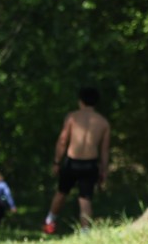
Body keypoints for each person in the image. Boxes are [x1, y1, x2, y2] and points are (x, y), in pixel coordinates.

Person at [45, 87, 111, 234]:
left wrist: (57, 161)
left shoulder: (72, 117)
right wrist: (104, 170)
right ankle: (85, 232)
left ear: (80, 101)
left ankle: (49, 223)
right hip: (90, 163)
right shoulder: (103, 122)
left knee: (61, 192)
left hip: (72, 162)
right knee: (85, 199)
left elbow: (63, 140)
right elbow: (104, 150)